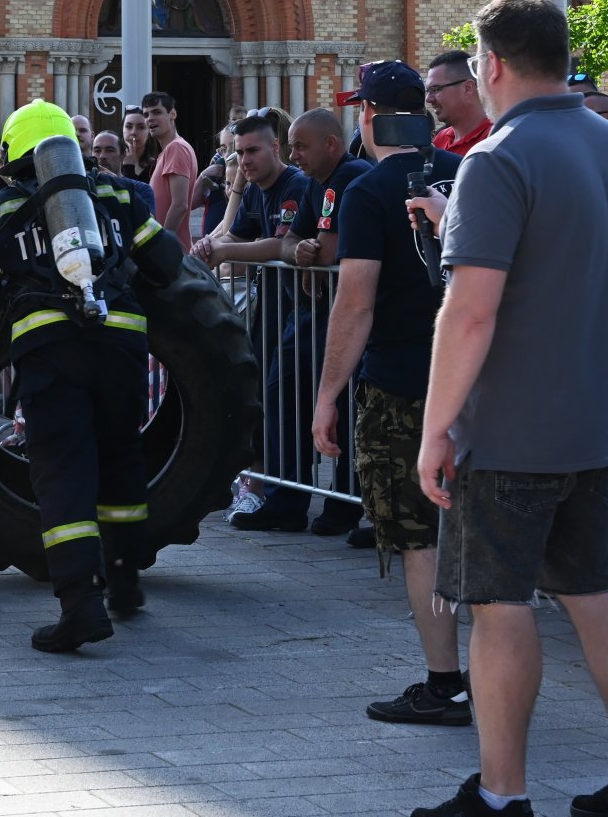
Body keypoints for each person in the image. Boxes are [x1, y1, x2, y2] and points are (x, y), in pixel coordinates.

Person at [409, 0, 608, 817]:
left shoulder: (498, 158)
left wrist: (435, 429)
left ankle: (502, 794)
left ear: (491, 64)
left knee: (498, 607)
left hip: (510, 430)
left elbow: (471, 312)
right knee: (594, 593)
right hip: (594, 420)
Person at [0, 101, 184, 650]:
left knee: (62, 472)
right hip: (122, 345)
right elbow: (167, 264)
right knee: (121, 458)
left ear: (14, 154)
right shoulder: (115, 195)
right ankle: (124, 584)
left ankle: (80, 607)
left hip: (51, 352)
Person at [310, 72, 468, 727]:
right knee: (481, 536)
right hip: (477, 383)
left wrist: (326, 395)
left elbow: (356, 302)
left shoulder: (368, 190)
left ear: (371, 115)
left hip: (403, 386)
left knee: (419, 538)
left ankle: (445, 682)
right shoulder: (465, 171)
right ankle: (493, 680)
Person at [195, 111, 317, 534]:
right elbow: (238, 234)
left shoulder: (295, 186)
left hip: (303, 310)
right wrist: (210, 243)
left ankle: (292, 497)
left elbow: (281, 245)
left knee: (291, 400)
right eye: (239, 152)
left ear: (275, 148)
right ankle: (274, 490)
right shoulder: (253, 191)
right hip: (274, 308)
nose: (244, 160)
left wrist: (227, 252)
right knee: (270, 395)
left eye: (252, 151)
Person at [285, 104, 373, 540]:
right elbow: (293, 242)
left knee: (348, 408)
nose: (293, 156)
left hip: (353, 314)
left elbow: (329, 249)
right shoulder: (315, 184)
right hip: (325, 311)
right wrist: (303, 252)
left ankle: (346, 504)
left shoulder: (348, 174)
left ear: (331, 144)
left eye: (301, 146)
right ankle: (315, 499)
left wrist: (309, 253)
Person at [142, 91, 198, 251]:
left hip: (172, 253)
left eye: (156, 112)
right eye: (146, 114)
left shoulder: (176, 148)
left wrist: (162, 245)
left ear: (173, 114)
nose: (150, 118)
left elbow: (180, 205)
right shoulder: (170, 150)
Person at [427, 48, 491, 156]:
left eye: (436, 89)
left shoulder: (494, 139)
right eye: (428, 91)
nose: (428, 99)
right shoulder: (441, 139)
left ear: (467, 88)